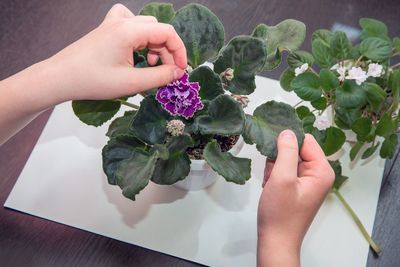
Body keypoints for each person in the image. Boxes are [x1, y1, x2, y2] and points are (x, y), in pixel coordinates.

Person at [0, 4, 334, 267]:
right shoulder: (169, 107)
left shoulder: (209, 97)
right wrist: (279, 243)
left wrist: (54, 75)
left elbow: (218, 113)